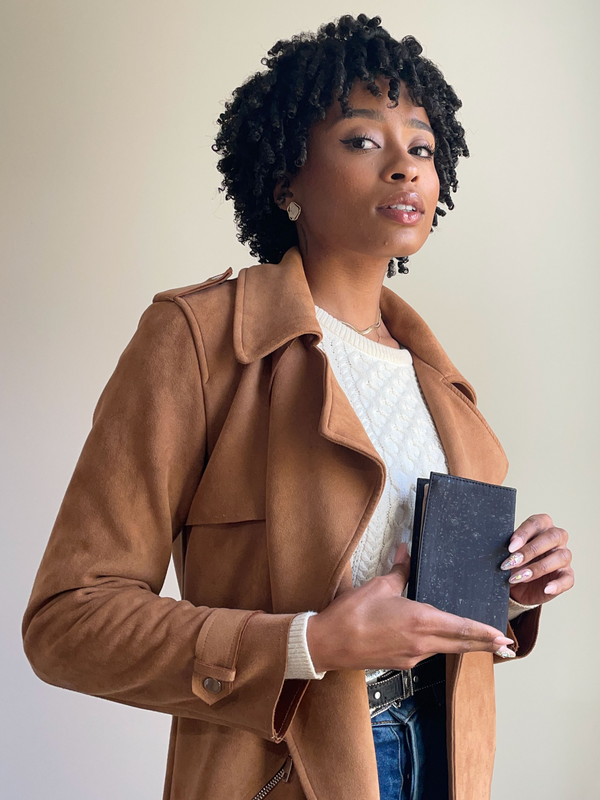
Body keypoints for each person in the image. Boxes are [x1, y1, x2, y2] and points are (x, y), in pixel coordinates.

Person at [22, 14, 574, 800]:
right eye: (362, 140)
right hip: (283, 771)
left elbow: (420, 616)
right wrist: (310, 643)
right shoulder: (201, 340)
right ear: (286, 180)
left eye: (422, 148)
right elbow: (68, 622)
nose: (404, 167)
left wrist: (510, 589)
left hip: (445, 759)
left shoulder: (439, 386)